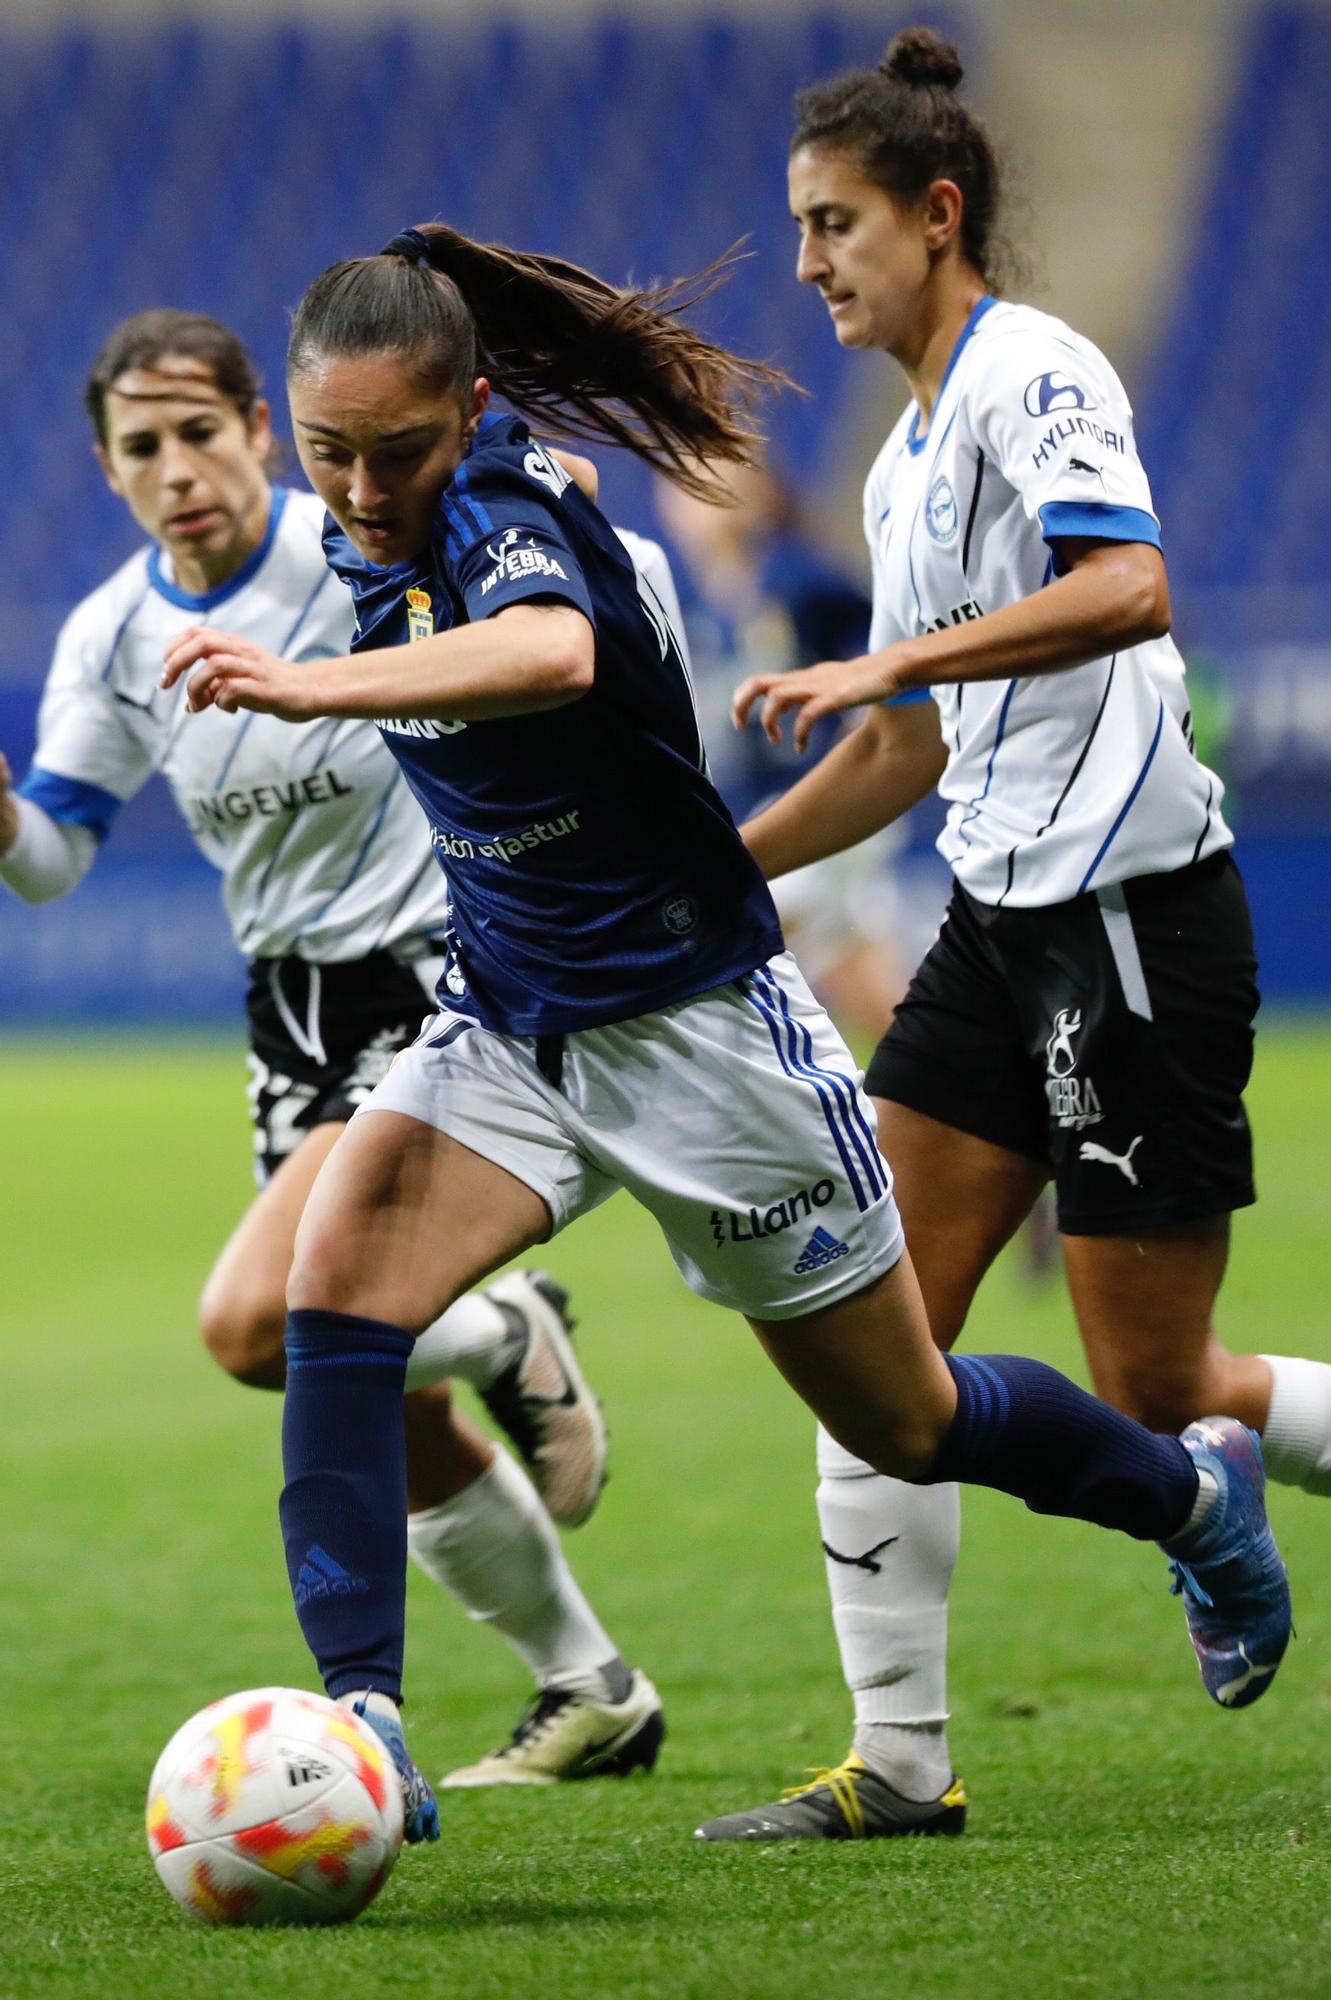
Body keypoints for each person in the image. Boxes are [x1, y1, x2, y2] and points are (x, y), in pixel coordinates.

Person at [159, 223, 1291, 1849]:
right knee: (336, 1296)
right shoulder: (383, 524)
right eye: (326, 451)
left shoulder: (500, 504)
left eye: (391, 451)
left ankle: (1191, 1496)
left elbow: (551, 654)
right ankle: (366, 1727)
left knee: (903, 1419)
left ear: (467, 413)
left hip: (700, 1039)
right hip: (514, 1019)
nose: (353, 488)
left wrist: (309, 692)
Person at [698, 25, 1331, 1842]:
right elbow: (904, 749)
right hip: (997, 925)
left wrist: (898, 653)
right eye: (804, 228)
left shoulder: (1031, 368)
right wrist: (723, 871)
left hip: (1130, 926)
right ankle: (898, 1767)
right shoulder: (901, 468)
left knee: (1166, 1383)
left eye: (833, 225)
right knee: (869, 1332)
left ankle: (1208, 1501)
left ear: (937, 213)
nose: (810, 263)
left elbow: (1127, 583)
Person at [0, 309, 664, 1787]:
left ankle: (506, 1332)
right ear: (106, 474)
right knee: (396, 1408)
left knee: (261, 1331)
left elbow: (540, 614)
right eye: (140, 450)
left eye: (198, 434)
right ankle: (592, 1686)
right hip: (290, 1028)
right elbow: (52, 858)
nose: (176, 471)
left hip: (435, 976)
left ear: (255, 426)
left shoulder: (356, 543)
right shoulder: (112, 639)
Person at [654, 460, 911, 1041]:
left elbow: (886, 673)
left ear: (757, 494)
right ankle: (962, 1102)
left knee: (714, 945)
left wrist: (856, 767)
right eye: (677, 490)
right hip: (761, 812)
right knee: (869, 988)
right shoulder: (692, 606)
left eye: (703, 485)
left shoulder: (803, 581)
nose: (689, 506)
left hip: (828, 808)